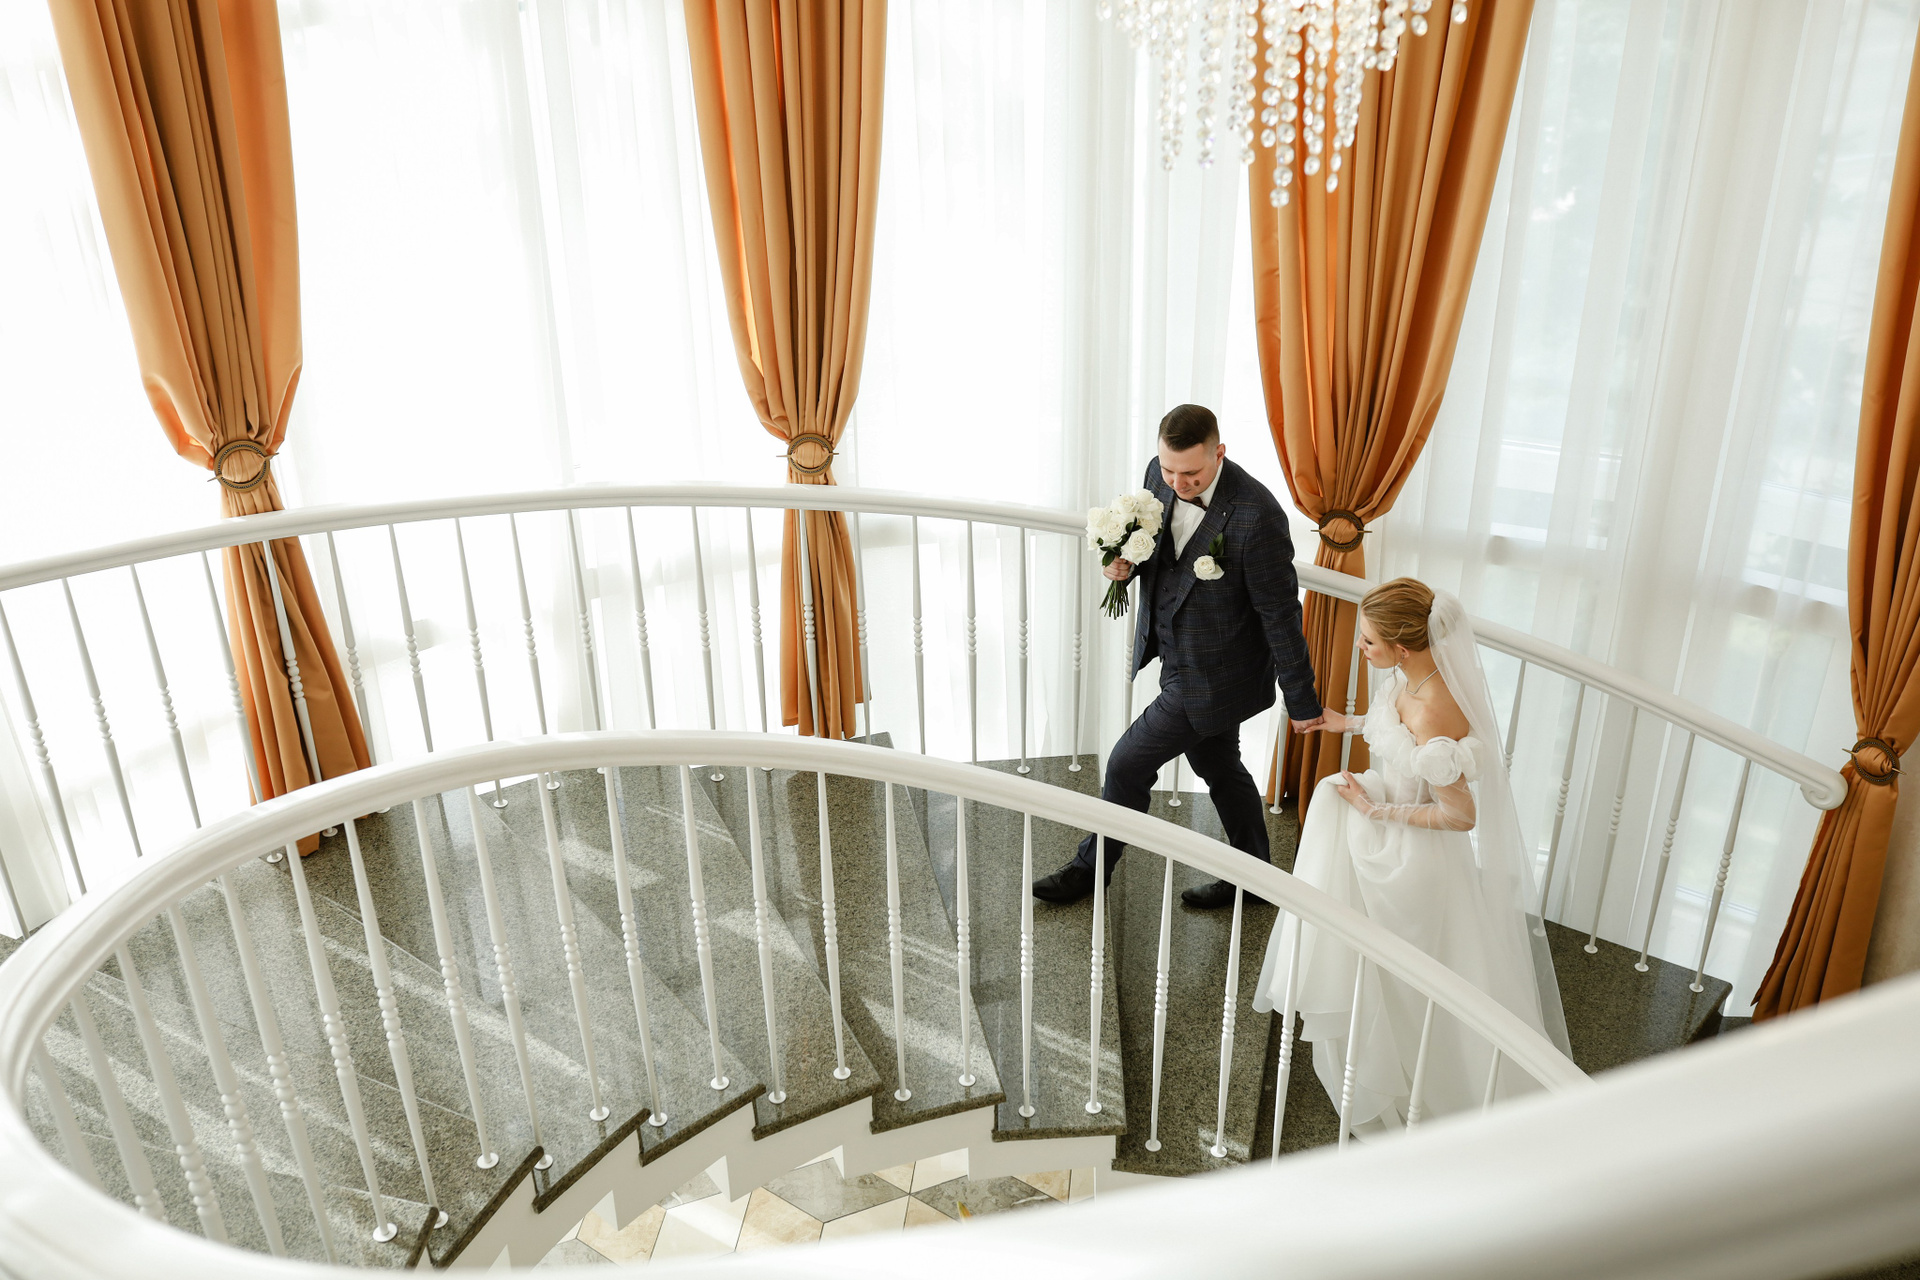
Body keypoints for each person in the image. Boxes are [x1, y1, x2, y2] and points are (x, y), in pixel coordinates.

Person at [1252, 577, 1572, 1132]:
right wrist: (1347, 722)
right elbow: (1396, 734)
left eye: (1369, 642)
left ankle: (1414, 1077)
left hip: (1411, 858)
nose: (1360, 648)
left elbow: (1459, 816)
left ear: (1402, 647)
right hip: (1388, 831)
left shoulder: (1434, 712)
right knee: (1372, 961)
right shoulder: (1412, 675)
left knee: (1405, 986)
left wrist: (1375, 811)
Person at [1031, 403, 1323, 910]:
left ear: (1219, 453)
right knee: (1218, 763)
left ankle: (1090, 870)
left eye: (1190, 473)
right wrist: (1121, 566)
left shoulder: (1258, 515)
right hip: (1176, 655)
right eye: (1169, 470)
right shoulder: (1158, 474)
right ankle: (1256, 876)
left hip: (1217, 675)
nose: (1177, 483)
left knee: (1126, 763)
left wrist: (1302, 701)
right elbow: (1156, 551)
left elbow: (1280, 615)